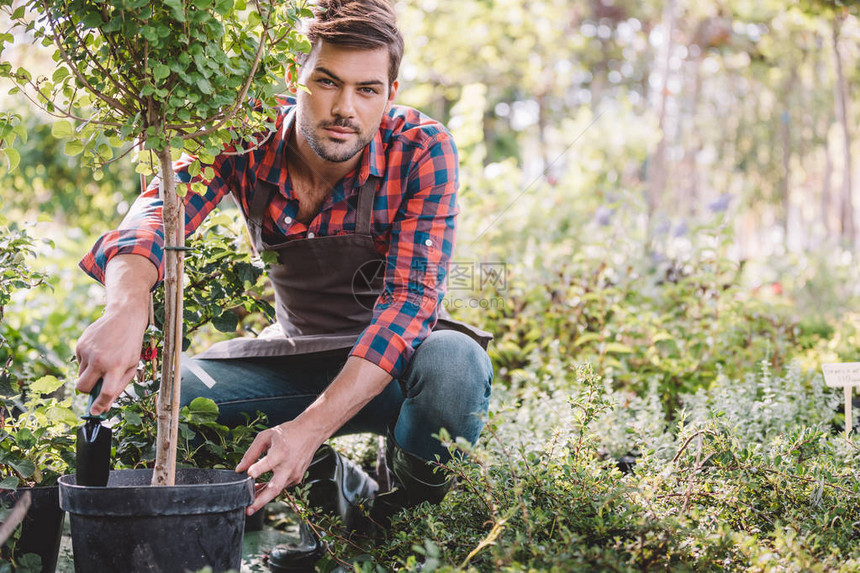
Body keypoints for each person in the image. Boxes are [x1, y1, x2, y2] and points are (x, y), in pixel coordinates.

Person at [74, 0, 493, 568]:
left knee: (455, 367)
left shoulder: (421, 148)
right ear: (296, 75)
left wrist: (309, 429)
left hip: (398, 364)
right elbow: (156, 216)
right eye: (326, 82)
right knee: (179, 398)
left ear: (391, 92)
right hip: (296, 355)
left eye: (367, 90)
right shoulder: (244, 133)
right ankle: (331, 498)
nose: (345, 108)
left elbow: (409, 302)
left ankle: (395, 531)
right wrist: (127, 306)